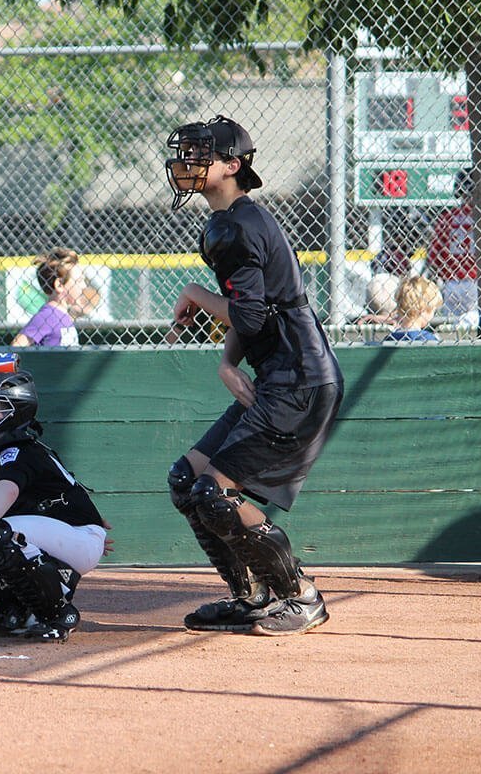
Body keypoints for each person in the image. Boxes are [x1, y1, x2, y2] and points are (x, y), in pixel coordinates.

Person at [164, 115, 344, 636]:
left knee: (212, 493)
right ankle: (252, 597)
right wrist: (227, 363)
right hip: (281, 377)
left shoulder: (236, 226)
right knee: (187, 481)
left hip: (299, 381)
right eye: (187, 153)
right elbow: (256, 310)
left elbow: (247, 315)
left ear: (233, 166)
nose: (187, 163)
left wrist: (196, 295)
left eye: (202, 155)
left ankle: (301, 596)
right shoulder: (234, 221)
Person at [0, 370, 112, 642]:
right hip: (46, 530)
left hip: (78, 536)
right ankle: (11, 609)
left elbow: (8, 489)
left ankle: (59, 613)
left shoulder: (21, 449)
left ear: (12, 412)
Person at [427, 168, 479, 327]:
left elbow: (434, 255)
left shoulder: (448, 218)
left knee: (452, 329)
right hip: (478, 281)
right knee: (479, 326)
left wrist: (443, 273)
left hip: (452, 281)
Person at [11, 247, 87, 347]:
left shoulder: (62, 315)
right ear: (59, 285)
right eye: (79, 281)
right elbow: (16, 347)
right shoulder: (47, 316)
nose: (84, 286)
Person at [384, 276, 443, 342]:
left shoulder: (391, 338)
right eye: (433, 310)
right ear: (422, 310)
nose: (433, 315)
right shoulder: (428, 339)